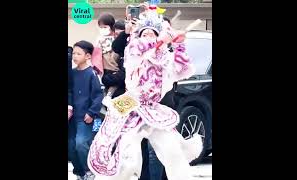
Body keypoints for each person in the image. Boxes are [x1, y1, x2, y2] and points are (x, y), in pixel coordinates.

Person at [88, 5, 201, 180]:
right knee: (128, 158)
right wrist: (159, 40)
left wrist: (178, 44)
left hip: (154, 109)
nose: (148, 37)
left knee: (172, 152)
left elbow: (184, 69)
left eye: (153, 34)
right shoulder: (134, 51)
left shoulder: (165, 59)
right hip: (131, 106)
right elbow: (138, 49)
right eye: (144, 34)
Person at [68, 40, 104, 180]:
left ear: (88, 56)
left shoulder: (92, 74)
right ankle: (80, 172)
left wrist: (92, 113)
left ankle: (89, 170)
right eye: (74, 53)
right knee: (70, 145)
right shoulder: (71, 73)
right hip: (72, 117)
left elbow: (98, 95)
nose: (75, 56)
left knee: (81, 143)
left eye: (78, 53)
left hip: (85, 117)